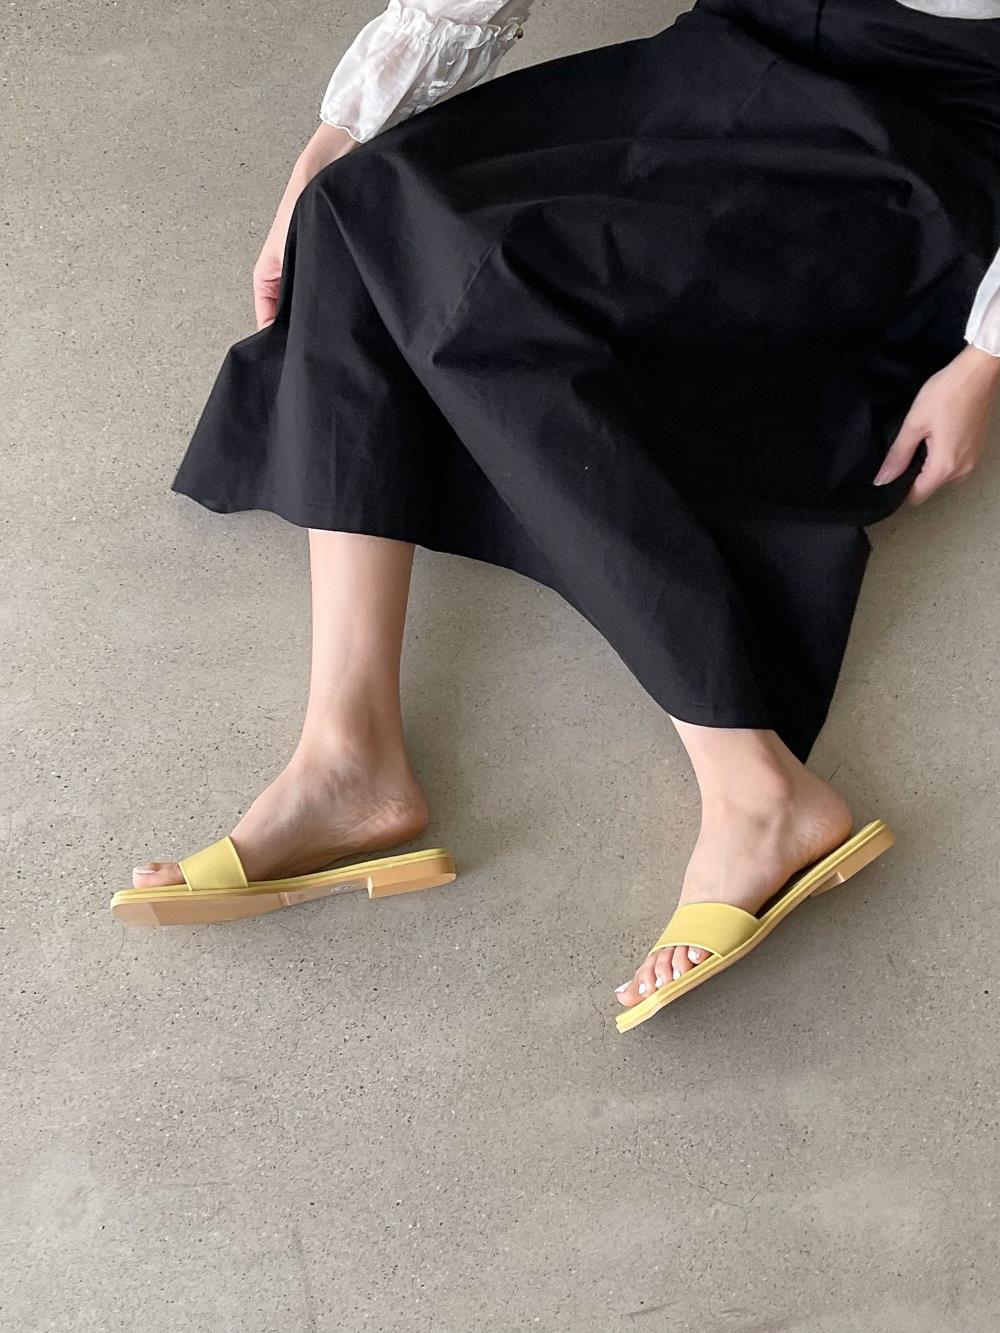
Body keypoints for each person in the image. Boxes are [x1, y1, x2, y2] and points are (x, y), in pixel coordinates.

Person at [114, 0, 1000, 1030]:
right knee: (357, 207)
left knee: (498, 301)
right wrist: (339, 134)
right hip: (723, 62)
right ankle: (347, 755)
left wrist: (985, 357)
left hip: (919, 145)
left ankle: (756, 788)